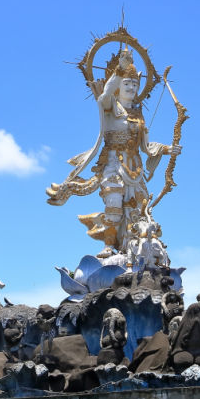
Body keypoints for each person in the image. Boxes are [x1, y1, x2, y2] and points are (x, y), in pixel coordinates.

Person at [47, 47, 179, 255]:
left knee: (140, 209)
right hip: (113, 164)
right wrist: (119, 70)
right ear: (119, 85)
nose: (132, 87)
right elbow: (104, 95)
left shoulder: (138, 115)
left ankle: (132, 247)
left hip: (135, 168)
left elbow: (145, 146)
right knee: (114, 203)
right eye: (127, 83)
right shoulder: (110, 108)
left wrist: (167, 149)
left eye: (135, 84)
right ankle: (109, 245)